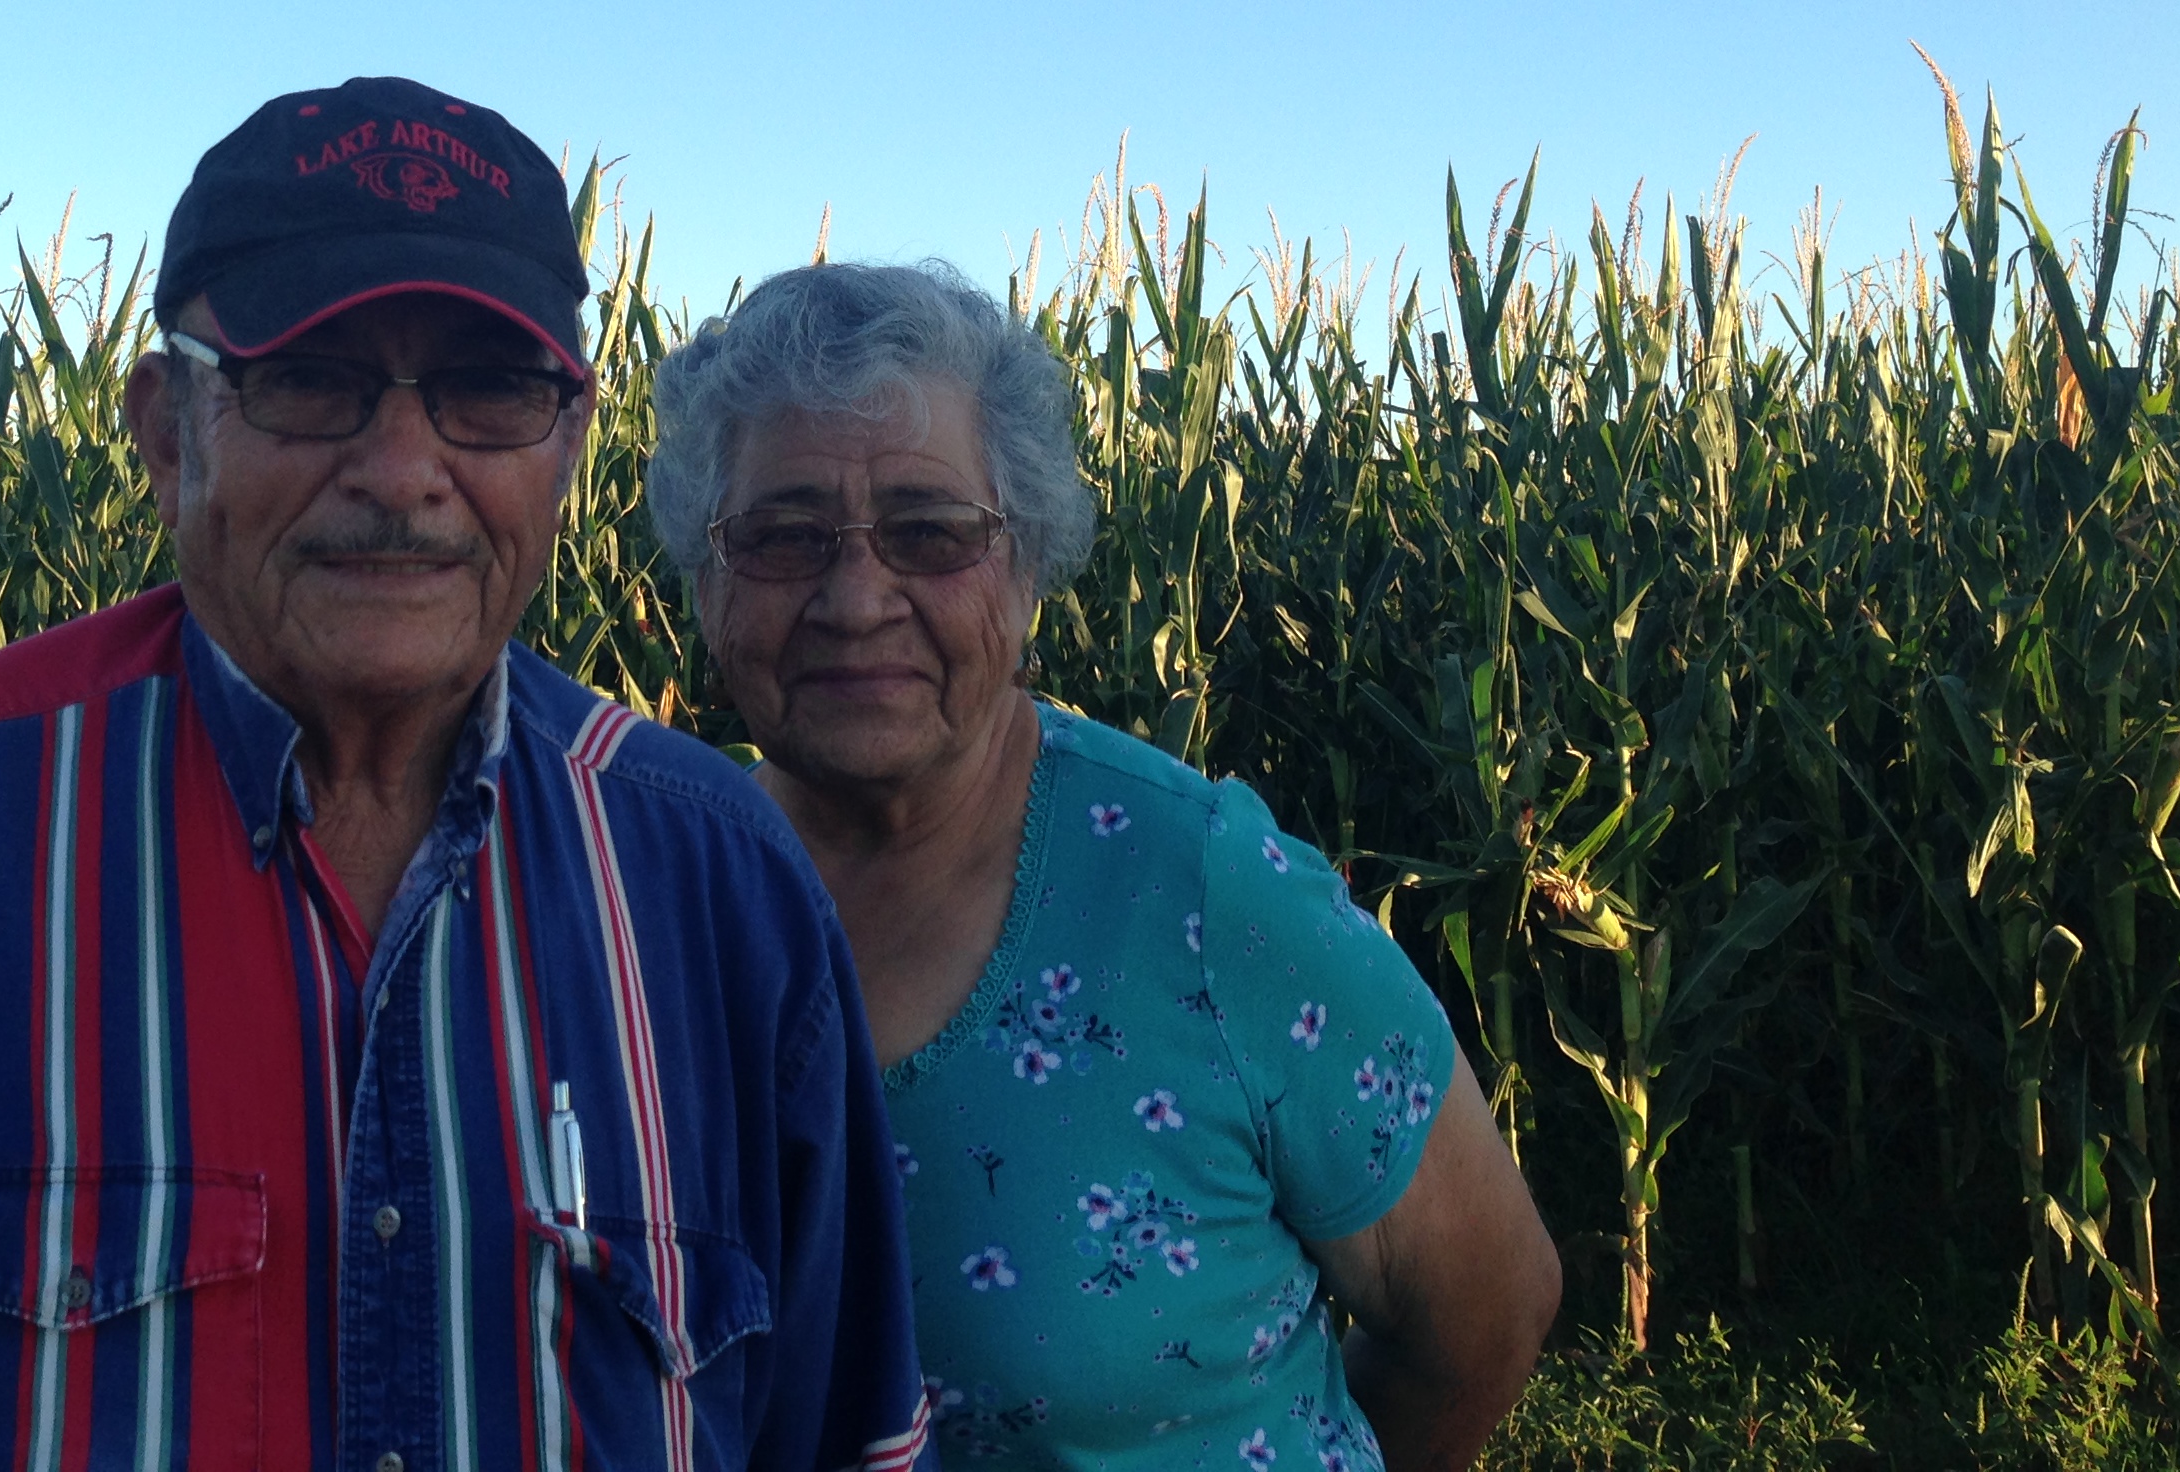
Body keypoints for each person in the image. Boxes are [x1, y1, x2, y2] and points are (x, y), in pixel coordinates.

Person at [0, 76, 936, 1472]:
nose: (402, 469)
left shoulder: (722, 886)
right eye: (308, 382)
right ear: (163, 429)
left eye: (490, 390)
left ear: (568, 442)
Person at [649, 262, 1560, 1472]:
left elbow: (1486, 1313)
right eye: (781, 536)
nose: (857, 599)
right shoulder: (645, 893)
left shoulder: (1207, 892)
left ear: (1026, 565)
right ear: (705, 578)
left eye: (930, 532)